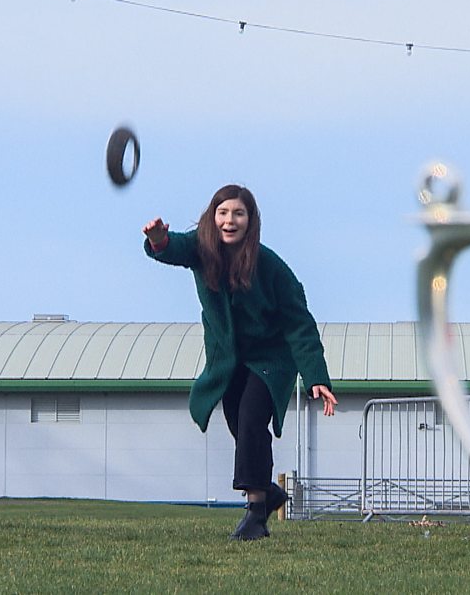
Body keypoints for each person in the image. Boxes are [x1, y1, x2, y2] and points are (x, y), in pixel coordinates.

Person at [143, 184, 337, 540]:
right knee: (240, 426)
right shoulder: (201, 250)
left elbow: (299, 323)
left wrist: (316, 377)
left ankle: (255, 514)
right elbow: (174, 248)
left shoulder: (270, 266)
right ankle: (269, 492)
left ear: (250, 221)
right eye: (223, 213)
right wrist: (159, 241)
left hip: (272, 358)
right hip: (229, 360)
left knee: (251, 419)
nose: (229, 220)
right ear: (212, 217)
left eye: (238, 213)